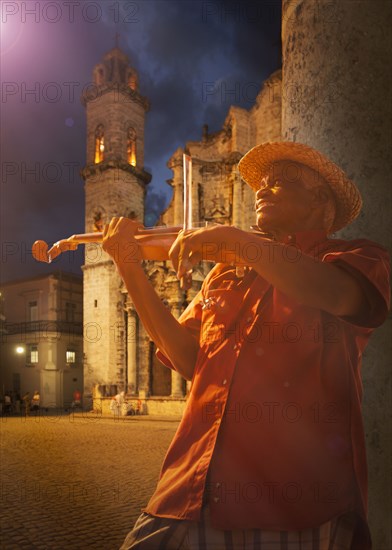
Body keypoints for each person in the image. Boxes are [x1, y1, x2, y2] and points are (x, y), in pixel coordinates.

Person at [102, 142, 390, 550]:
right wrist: (130, 268)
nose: (263, 189)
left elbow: (333, 293)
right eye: (261, 183)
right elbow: (188, 360)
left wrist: (238, 241)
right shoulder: (223, 275)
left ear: (321, 201)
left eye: (281, 182)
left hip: (293, 505)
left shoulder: (356, 256)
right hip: (186, 488)